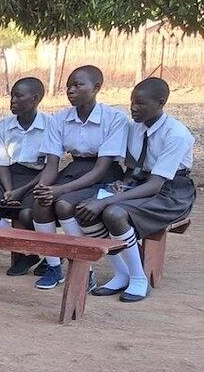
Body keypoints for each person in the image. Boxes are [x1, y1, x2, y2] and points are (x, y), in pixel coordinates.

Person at [76, 77, 195, 302]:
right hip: (141, 184)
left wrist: (105, 201)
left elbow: (156, 184)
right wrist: (123, 183)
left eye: (140, 103)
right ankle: (122, 274)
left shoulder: (176, 134)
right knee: (85, 209)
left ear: (161, 103)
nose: (133, 108)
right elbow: (134, 169)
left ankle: (139, 279)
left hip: (171, 193)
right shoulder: (134, 128)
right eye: (132, 102)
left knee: (113, 213)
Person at [31, 66, 128, 290]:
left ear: (96, 87)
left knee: (64, 205)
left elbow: (101, 169)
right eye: (68, 86)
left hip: (105, 174)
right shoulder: (60, 119)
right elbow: (52, 164)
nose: (70, 90)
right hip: (75, 169)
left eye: (77, 85)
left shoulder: (114, 118)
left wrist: (59, 190)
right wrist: (44, 187)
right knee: (41, 203)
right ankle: (54, 266)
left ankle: (84, 270)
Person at [0, 77, 51, 276]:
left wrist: (21, 191)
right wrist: (10, 190)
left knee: (27, 214)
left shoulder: (50, 125)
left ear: (35, 99)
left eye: (19, 96)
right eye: (12, 95)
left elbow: (49, 168)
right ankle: (26, 251)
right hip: (10, 177)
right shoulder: (3, 126)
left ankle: (49, 254)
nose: (12, 100)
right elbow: (2, 164)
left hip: (38, 177)